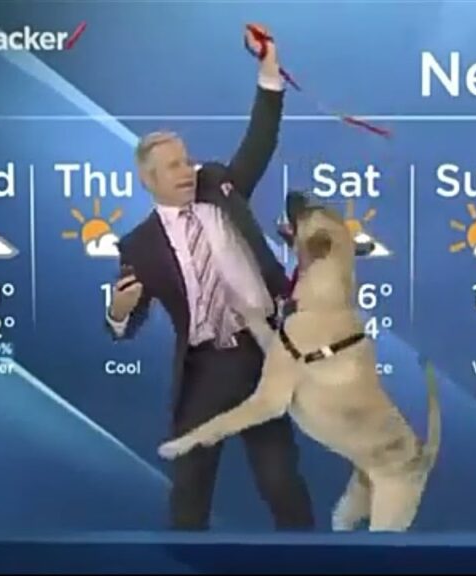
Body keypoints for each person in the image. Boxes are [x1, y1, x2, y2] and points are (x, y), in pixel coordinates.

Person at [105, 24, 314, 531]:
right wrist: (117, 313)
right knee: (190, 493)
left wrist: (268, 70)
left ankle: (313, 564)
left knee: (281, 481)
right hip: (203, 371)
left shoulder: (220, 186)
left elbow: (259, 142)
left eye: (187, 159)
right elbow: (126, 325)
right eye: (173, 166)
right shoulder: (139, 246)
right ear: (149, 180)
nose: (186, 169)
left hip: (261, 352)